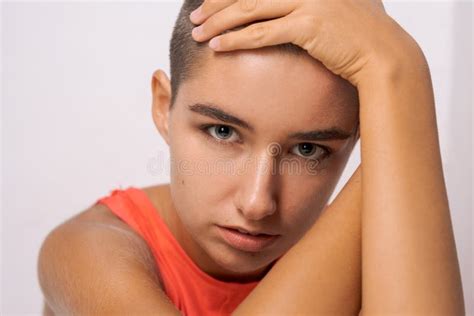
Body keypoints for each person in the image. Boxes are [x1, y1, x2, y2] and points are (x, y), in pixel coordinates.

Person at [37, 0, 465, 315]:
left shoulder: (371, 248)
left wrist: (395, 74)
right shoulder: (86, 251)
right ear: (163, 107)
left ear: (356, 141)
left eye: (308, 149)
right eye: (223, 132)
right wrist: (400, 82)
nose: (258, 203)